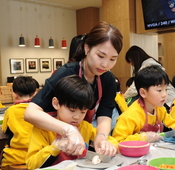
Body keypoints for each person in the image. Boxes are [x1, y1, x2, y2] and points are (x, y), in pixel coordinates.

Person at [24, 21, 123, 157]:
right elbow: (30, 113)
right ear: (87, 48)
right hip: (48, 140)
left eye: (113, 59)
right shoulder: (65, 73)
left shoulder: (108, 79)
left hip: (78, 141)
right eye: (100, 56)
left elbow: (104, 113)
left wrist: (101, 137)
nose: (105, 64)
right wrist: (69, 130)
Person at [26, 75, 118, 170]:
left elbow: (112, 141)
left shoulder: (84, 127)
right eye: (72, 110)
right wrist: (56, 146)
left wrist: (106, 143)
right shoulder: (42, 128)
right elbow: (31, 164)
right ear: (56, 104)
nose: (77, 117)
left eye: (83, 112)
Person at [112, 65, 175, 143]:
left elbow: (171, 123)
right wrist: (142, 137)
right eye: (159, 90)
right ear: (143, 93)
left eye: (166, 89)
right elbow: (119, 140)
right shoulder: (130, 116)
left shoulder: (160, 109)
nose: (165, 94)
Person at [1, 76, 39, 170]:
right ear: (35, 92)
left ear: (14, 94)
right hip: (37, 156)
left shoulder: (11, 111)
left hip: (15, 157)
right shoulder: (40, 109)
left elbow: (4, 130)